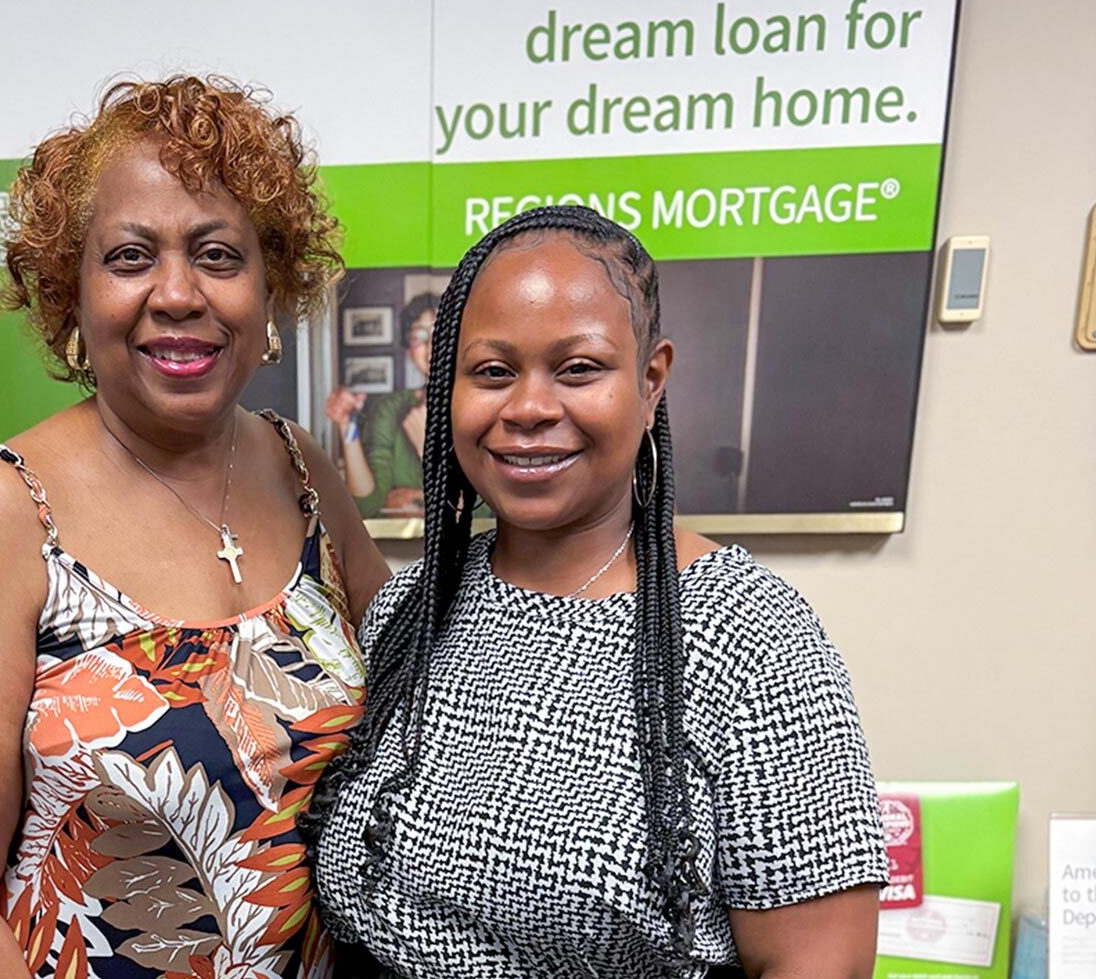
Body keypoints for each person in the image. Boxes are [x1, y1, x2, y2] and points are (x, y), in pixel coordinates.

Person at [0, 75, 391, 979]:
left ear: (269, 289)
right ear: (72, 292)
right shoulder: (5, 510)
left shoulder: (300, 469)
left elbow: (422, 697)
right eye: (130, 256)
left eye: (218, 255)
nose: (178, 293)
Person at [305, 205, 887, 978]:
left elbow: (818, 962)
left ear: (650, 382)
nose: (529, 408)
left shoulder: (749, 634)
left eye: (578, 368)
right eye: (493, 371)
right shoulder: (410, 609)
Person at [326, 291, 438, 518]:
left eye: (442, 332)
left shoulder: (482, 406)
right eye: (419, 335)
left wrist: (426, 448)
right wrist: (348, 429)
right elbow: (367, 506)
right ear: (408, 349)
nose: (431, 345)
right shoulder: (389, 409)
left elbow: (485, 510)